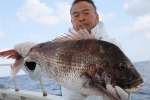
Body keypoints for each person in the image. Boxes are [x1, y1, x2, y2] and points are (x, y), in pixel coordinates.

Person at [14, 0, 130, 100]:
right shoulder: (60, 46)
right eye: (76, 15)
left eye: (86, 13)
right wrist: (29, 57)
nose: (81, 18)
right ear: (71, 21)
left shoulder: (112, 45)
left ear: (97, 17)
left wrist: (125, 96)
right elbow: (36, 75)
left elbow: (124, 77)